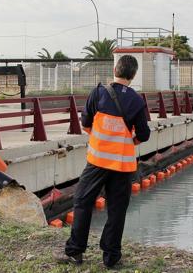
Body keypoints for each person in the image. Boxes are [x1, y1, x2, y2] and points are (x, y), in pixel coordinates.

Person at [55, 55, 151, 268]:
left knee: (82, 202)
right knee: (116, 210)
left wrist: (100, 139)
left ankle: (75, 252)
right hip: (123, 165)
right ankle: (111, 257)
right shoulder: (136, 100)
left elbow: (86, 123)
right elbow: (144, 135)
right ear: (133, 75)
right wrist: (128, 141)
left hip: (97, 161)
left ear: (115, 69)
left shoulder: (98, 93)